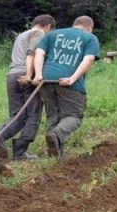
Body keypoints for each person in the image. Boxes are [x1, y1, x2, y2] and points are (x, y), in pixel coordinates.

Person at [33, 16, 100, 160]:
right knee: (74, 116)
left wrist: (38, 75)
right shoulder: (90, 37)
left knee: (53, 116)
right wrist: (72, 79)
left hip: (46, 80)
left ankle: (55, 155)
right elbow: (88, 59)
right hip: (69, 83)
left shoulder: (52, 34)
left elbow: (39, 53)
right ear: (90, 27)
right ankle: (56, 136)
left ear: (74, 25)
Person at [0, 15, 55, 161]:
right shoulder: (39, 33)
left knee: (17, 115)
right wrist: (29, 74)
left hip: (12, 75)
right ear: (48, 26)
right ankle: (20, 152)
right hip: (25, 76)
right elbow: (31, 53)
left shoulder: (22, 35)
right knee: (33, 115)